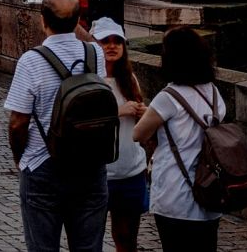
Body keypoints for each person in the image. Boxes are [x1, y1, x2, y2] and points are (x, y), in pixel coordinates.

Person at [4, 0, 108, 252]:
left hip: (44, 161)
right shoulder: (96, 54)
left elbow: (18, 123)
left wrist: (20, 158)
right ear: (78, 21)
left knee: (42, 247)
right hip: (90, 162)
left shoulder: (31, 61)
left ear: (42, 20)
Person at [133, 27, 226, 252]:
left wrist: (149, 114)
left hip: (176, 194)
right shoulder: (213, 93)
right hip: (209, 191)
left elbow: (138, 134)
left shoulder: (168, 97)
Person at [89, 18, 147, 252]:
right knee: (91, 239)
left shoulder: (129, 80)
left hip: (130, 171)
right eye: (105, 41)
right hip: (99, 173)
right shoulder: (89, 80)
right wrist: (117, 112)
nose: (111, 46)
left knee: (126, 237)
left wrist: (143, 113)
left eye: (117, 42)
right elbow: (84, 122)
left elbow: (140, 129)